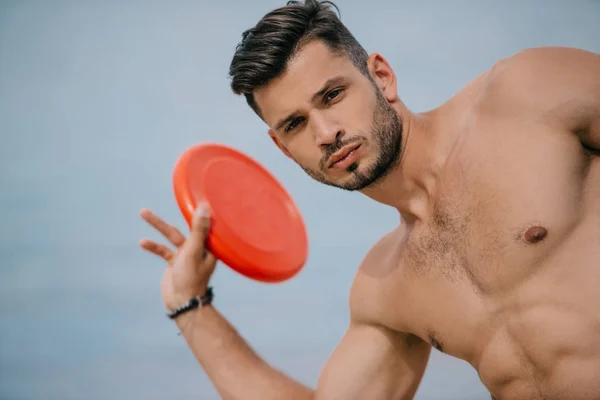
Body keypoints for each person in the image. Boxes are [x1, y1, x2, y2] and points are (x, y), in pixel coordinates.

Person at [139, 0, 600, 398]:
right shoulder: (384, 287)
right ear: (282, 147)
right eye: (295, 125)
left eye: (333, 95)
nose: (325, 133)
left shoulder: (530, 96)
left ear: (381, 76)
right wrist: (190, 303)